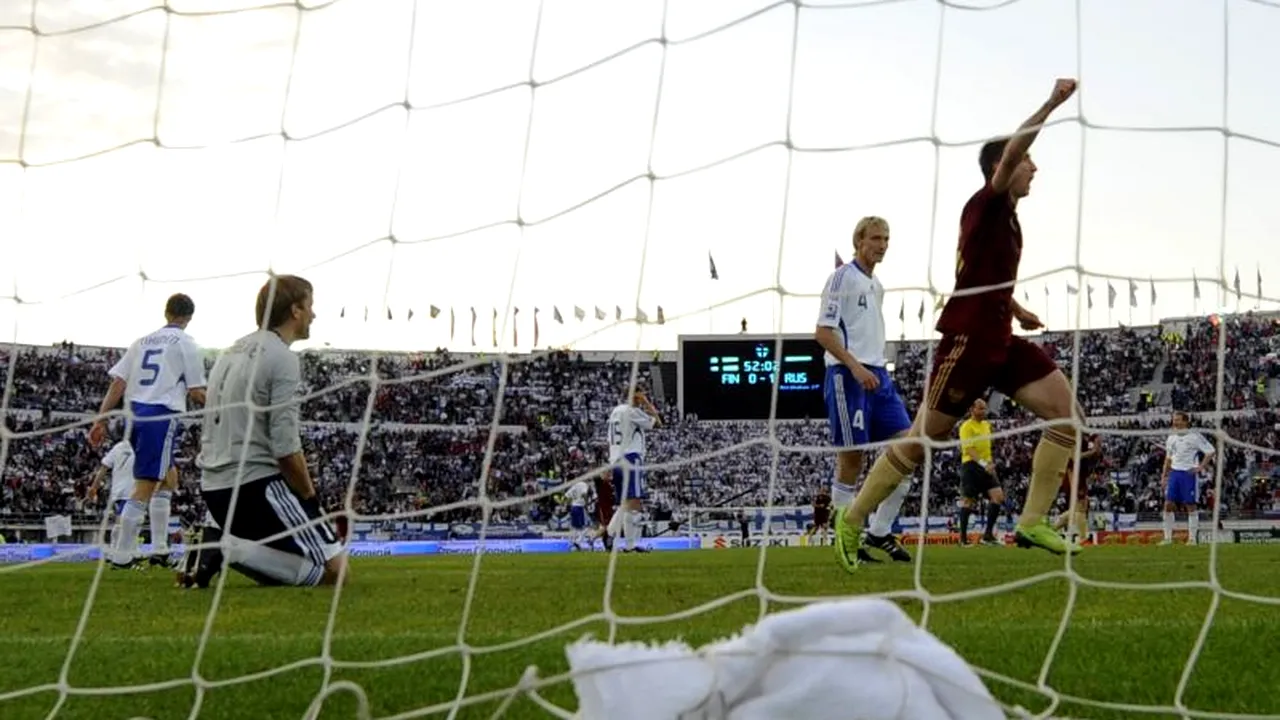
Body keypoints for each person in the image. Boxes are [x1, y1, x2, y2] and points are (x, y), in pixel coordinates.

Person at [834, 78, 1085, 573]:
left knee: (1067, 417)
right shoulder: (986, 201)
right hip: (967, 342)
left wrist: (1015, 309)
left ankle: (1032, 522)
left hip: (1000, 338)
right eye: (1027, 163)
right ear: (1003, 168)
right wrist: (1051, 104)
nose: (1035, 168)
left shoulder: (1007, 220)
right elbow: (1014, 151)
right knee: (919, 441)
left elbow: (981, 276)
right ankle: (853, 519)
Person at [193, 275, 348, 587]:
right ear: (295, 311)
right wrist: (307, 494)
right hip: (256, 485)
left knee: (298, 563)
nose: (313, 315)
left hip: (213, 488)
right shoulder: (282, 358)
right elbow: (285, 446)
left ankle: (225, 541)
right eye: (310, 307)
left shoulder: (228, 352)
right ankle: (229, 547)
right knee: (336, 572)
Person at [815, 216, 912, 564]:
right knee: (852, 460)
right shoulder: (843, 277)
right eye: (875, 238)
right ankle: (846, 536)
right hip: (847, 374)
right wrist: (854, 366)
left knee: (910, 449)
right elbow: (823, 333)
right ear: (859, 241)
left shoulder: (877, 286)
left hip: (878, 377)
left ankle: (880, 530)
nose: (882, 245)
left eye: (886, 238)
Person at [89, 293, 206, 568]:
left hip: (135, 416)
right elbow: (197, 391)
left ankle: (161, 548)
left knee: (169, 478)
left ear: (166, 313)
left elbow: (117, 383)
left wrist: (100, 420)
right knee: (146, 485)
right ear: (189, 318)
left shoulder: (141, 342)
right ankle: (123, 554)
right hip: (161, 415)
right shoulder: (187, 343)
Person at [605, 388, 661, 553]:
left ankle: (629, 546)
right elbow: (658, 423)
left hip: (616, 460)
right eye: (641, 394)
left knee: (628, 503)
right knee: (633, 502)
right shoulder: (633, 411)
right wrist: (646, 403)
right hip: (631, 458)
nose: (643, 396)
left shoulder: (616, 411)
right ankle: (609, 532)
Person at [1161, 411, 1214, 546]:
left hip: (1188, 474)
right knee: (1168, 505)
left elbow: (1210, 451)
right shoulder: (1171, 437)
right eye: (1174, 420)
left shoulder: (1194, 436)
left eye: (1178, 420)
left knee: (1190, 505)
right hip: (1174, 473)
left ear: (1185, 421)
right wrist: (1164, 476)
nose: (1175, 422)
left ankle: (1192, 539)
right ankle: (1167, 538)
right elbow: (1168, 458)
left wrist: (1200, 467)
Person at [957, 399, 1003, 546]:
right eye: (981, 409)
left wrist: (989, 463)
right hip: (971, 466)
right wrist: (983, 464)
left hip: (986, 466)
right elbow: (969, 449)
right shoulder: (966, 426)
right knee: (969, 501)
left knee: (998, 496)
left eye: (985, 409)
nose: (984, 412)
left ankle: (988, 535)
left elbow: (987, 447)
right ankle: (963, 539)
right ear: (972, 409)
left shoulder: (986, 425)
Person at [1055, 433, 1102, 543]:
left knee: (1077, 508)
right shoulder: (1076, 440)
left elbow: (1093, 460)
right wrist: (1092, 452)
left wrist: (1096, 450)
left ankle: (1053, 528)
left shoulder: (1087, 442)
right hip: (1074, 475)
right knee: (1081, 505)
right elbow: (1074, 456)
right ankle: (1083, 537)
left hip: (1080, 475)